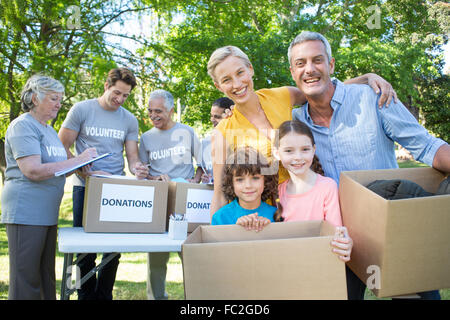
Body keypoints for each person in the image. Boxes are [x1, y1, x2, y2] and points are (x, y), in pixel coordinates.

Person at [289, 31, 450, 299]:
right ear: (293, 72)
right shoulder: (295, 123)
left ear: (331, 65)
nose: (310, 69)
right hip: (337, 240)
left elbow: (426, 145)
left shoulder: (373, 98)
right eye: (301, 63)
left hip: (391, 230)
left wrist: (368, 80)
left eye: (318, 60)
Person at [207, 45, 398, 216]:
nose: (237, 84)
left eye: (240, 72)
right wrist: (212, 240)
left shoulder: (280, 96)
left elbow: (323, 91)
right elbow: (220, 194)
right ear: (218, 86)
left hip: (306, 204)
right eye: (226, 80)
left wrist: (366, 79)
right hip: (263, 217)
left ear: (250, 69)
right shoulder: (223, 132)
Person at [1, 75, 97, 300]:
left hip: (47, 213)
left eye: (60, 99)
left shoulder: (50, 131)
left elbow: (62, 166)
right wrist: (76, 160)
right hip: (25, 212)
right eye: (54, 98)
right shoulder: (22, 126)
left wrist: (84, 166)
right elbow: (33, 170)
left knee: (45, 276)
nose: (58, 104)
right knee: (26, 279)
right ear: (35, 98)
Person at [58, 68, 148, 300]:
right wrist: (80, 167)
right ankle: (83, 295)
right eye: (116, 93)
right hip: (85, 188)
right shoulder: (82, 109)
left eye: (125, 96)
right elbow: (61, 145)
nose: (120, 99)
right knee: (83, 251)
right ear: (106, 85)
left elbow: (132, 157)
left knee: (113, 250)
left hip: (115, 190)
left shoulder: (129, 119)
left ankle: (103, 296)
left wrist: (138, 168)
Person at [138, 89, 202, 300]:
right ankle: (156, 297)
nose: (153, 115)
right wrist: (152, 178)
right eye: (150, 111)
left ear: (171, 110)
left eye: (159, 111)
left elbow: (202, 163)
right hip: (159, 200)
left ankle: (196, 297)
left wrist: (195, 179)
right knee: (156, 257)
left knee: (189, 255)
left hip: (184, 200)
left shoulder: (187, 132)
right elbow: (142, 171)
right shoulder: (146, 138)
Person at [272, 120, 352, 262]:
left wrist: (344, 243)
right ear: (277, 153)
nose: (298, 157)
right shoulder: (279, 191)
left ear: (314, 150)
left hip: (321, 260)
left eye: (305, 149)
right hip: (290, 262)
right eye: (289, 151)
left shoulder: (327, 187)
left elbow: (335, 233)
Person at [211, 146, 278, 230]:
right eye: (240, 180)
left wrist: (268, 229)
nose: (248, 185)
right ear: (231, 183)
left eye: (255, 178)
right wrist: (237, 230)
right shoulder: (220, 218)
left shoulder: (276, 215)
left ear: (266, 180)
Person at [200, 97, 234, 183]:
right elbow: (204, 171)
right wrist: (205, 178)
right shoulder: (206, 142)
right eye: (211, 116)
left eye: (217, 117)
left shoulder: (239, 142)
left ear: (229, 116)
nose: (212, 120)